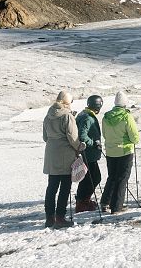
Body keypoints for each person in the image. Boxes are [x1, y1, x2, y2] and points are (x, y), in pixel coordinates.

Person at [43, 90, 86, 228]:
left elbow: (45, 137)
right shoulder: (67, 116)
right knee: (65, 187)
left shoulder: (48, 115)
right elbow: (73, 138)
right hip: (65, 154)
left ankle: (49, 218)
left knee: (52, 186)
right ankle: (60, 217)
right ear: (68, 102)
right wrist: (80, 146)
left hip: (51, 153)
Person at [100, 91, 140, 214]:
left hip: (111, 151)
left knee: (112, 177)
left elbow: (105, 134)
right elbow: (134, 137)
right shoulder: (127, 116)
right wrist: (132, 140)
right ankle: (116, 206)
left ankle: (105, 202)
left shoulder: (106, 116)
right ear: (125, 104)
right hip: (125, 151)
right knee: (122, 178)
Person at [75, 95, 104, 213]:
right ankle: (82, 202)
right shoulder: (88, 117)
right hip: (89, 153)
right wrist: (94, 143)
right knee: (95, 177)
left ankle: (83, 201)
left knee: (87, 178)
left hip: (86, 153)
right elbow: (82, 136)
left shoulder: (84, 114)